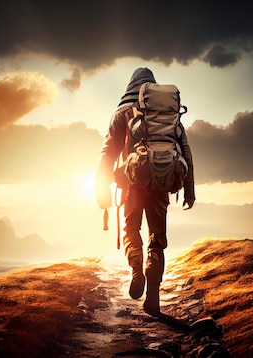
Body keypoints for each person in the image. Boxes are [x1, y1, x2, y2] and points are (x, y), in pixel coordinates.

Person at [95, 67, 195, 316]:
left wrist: (101, 191)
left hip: (130, 184)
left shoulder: (121, 114)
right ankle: (153, 295)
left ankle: (136, 268)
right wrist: (189, 190)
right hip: (162, 182)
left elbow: (107, 153)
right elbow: (185, 151)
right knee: (157, 240)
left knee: (131, 229)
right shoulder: (165, 115)